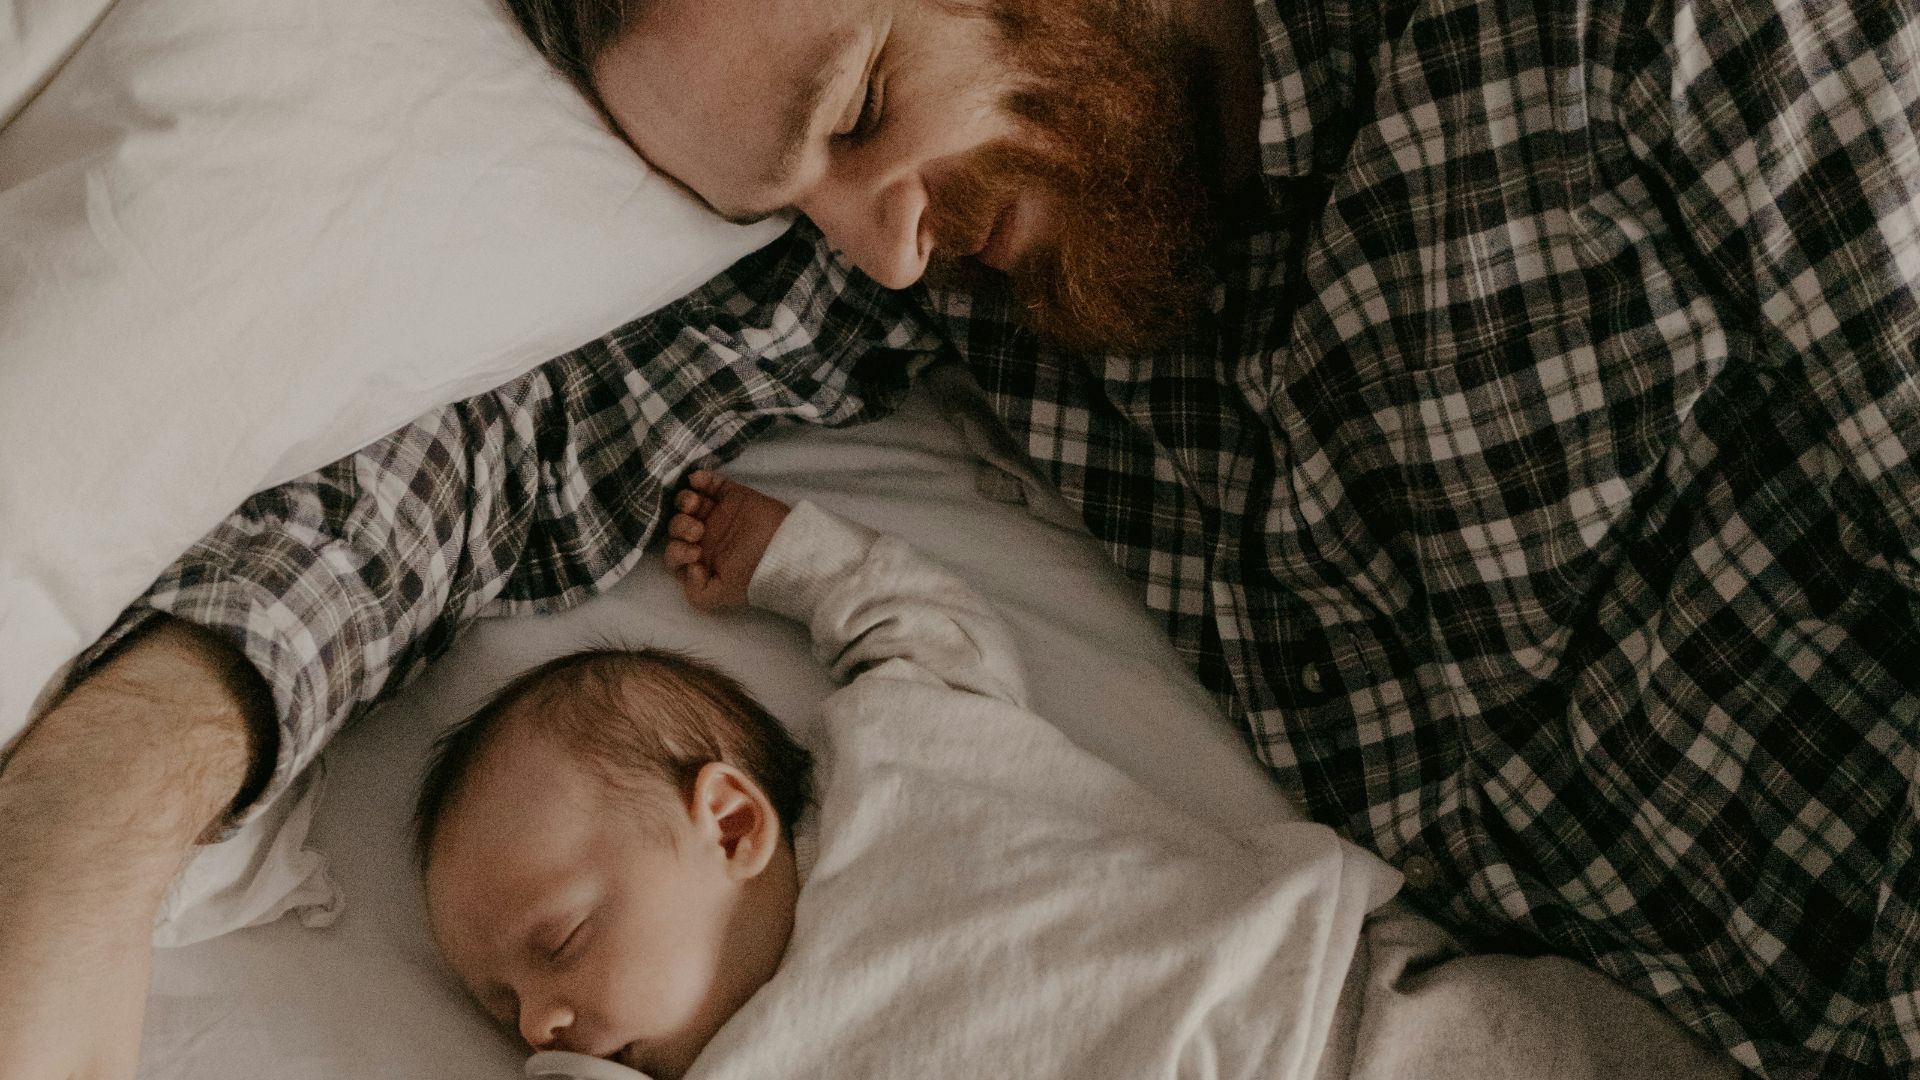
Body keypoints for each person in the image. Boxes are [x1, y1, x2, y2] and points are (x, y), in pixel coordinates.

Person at [0, 0, 1914, 1075]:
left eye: (860, 110)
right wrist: (110, 798)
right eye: (802, 197)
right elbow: (497, 445)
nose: (877, 239)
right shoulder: (981, 277)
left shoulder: (1635, 40)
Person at [418, 470, 1740, 1080]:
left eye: (560, 942)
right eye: (504, 1006)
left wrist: (791, 554)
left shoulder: (896, 759)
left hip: (1333, 1036)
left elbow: (919, 628)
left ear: (732, 817)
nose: (540, 1021)